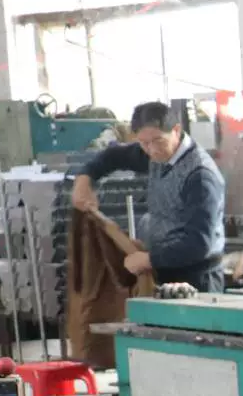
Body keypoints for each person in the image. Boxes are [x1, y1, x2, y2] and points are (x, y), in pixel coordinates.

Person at [72, 101, 227, 293]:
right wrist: (84, 179)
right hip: (163, 273)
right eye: (144, 143)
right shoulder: (157, 154)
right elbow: (112, 156)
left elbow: (199, 243)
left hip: (198, 279)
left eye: (158, 141)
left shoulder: (200, 176)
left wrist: (148, 259)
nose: (152, 150)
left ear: (176, 130)